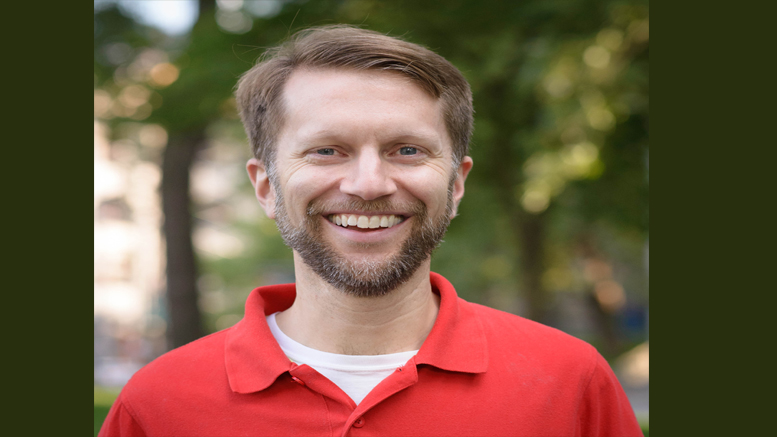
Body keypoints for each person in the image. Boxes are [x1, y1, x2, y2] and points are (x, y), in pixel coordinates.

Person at [99, 25, 642, 437]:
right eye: (326, 150)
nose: (368, 184)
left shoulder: (570, 385)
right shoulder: (158, 406)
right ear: (265, 186)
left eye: (406, 150)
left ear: (456, 184)